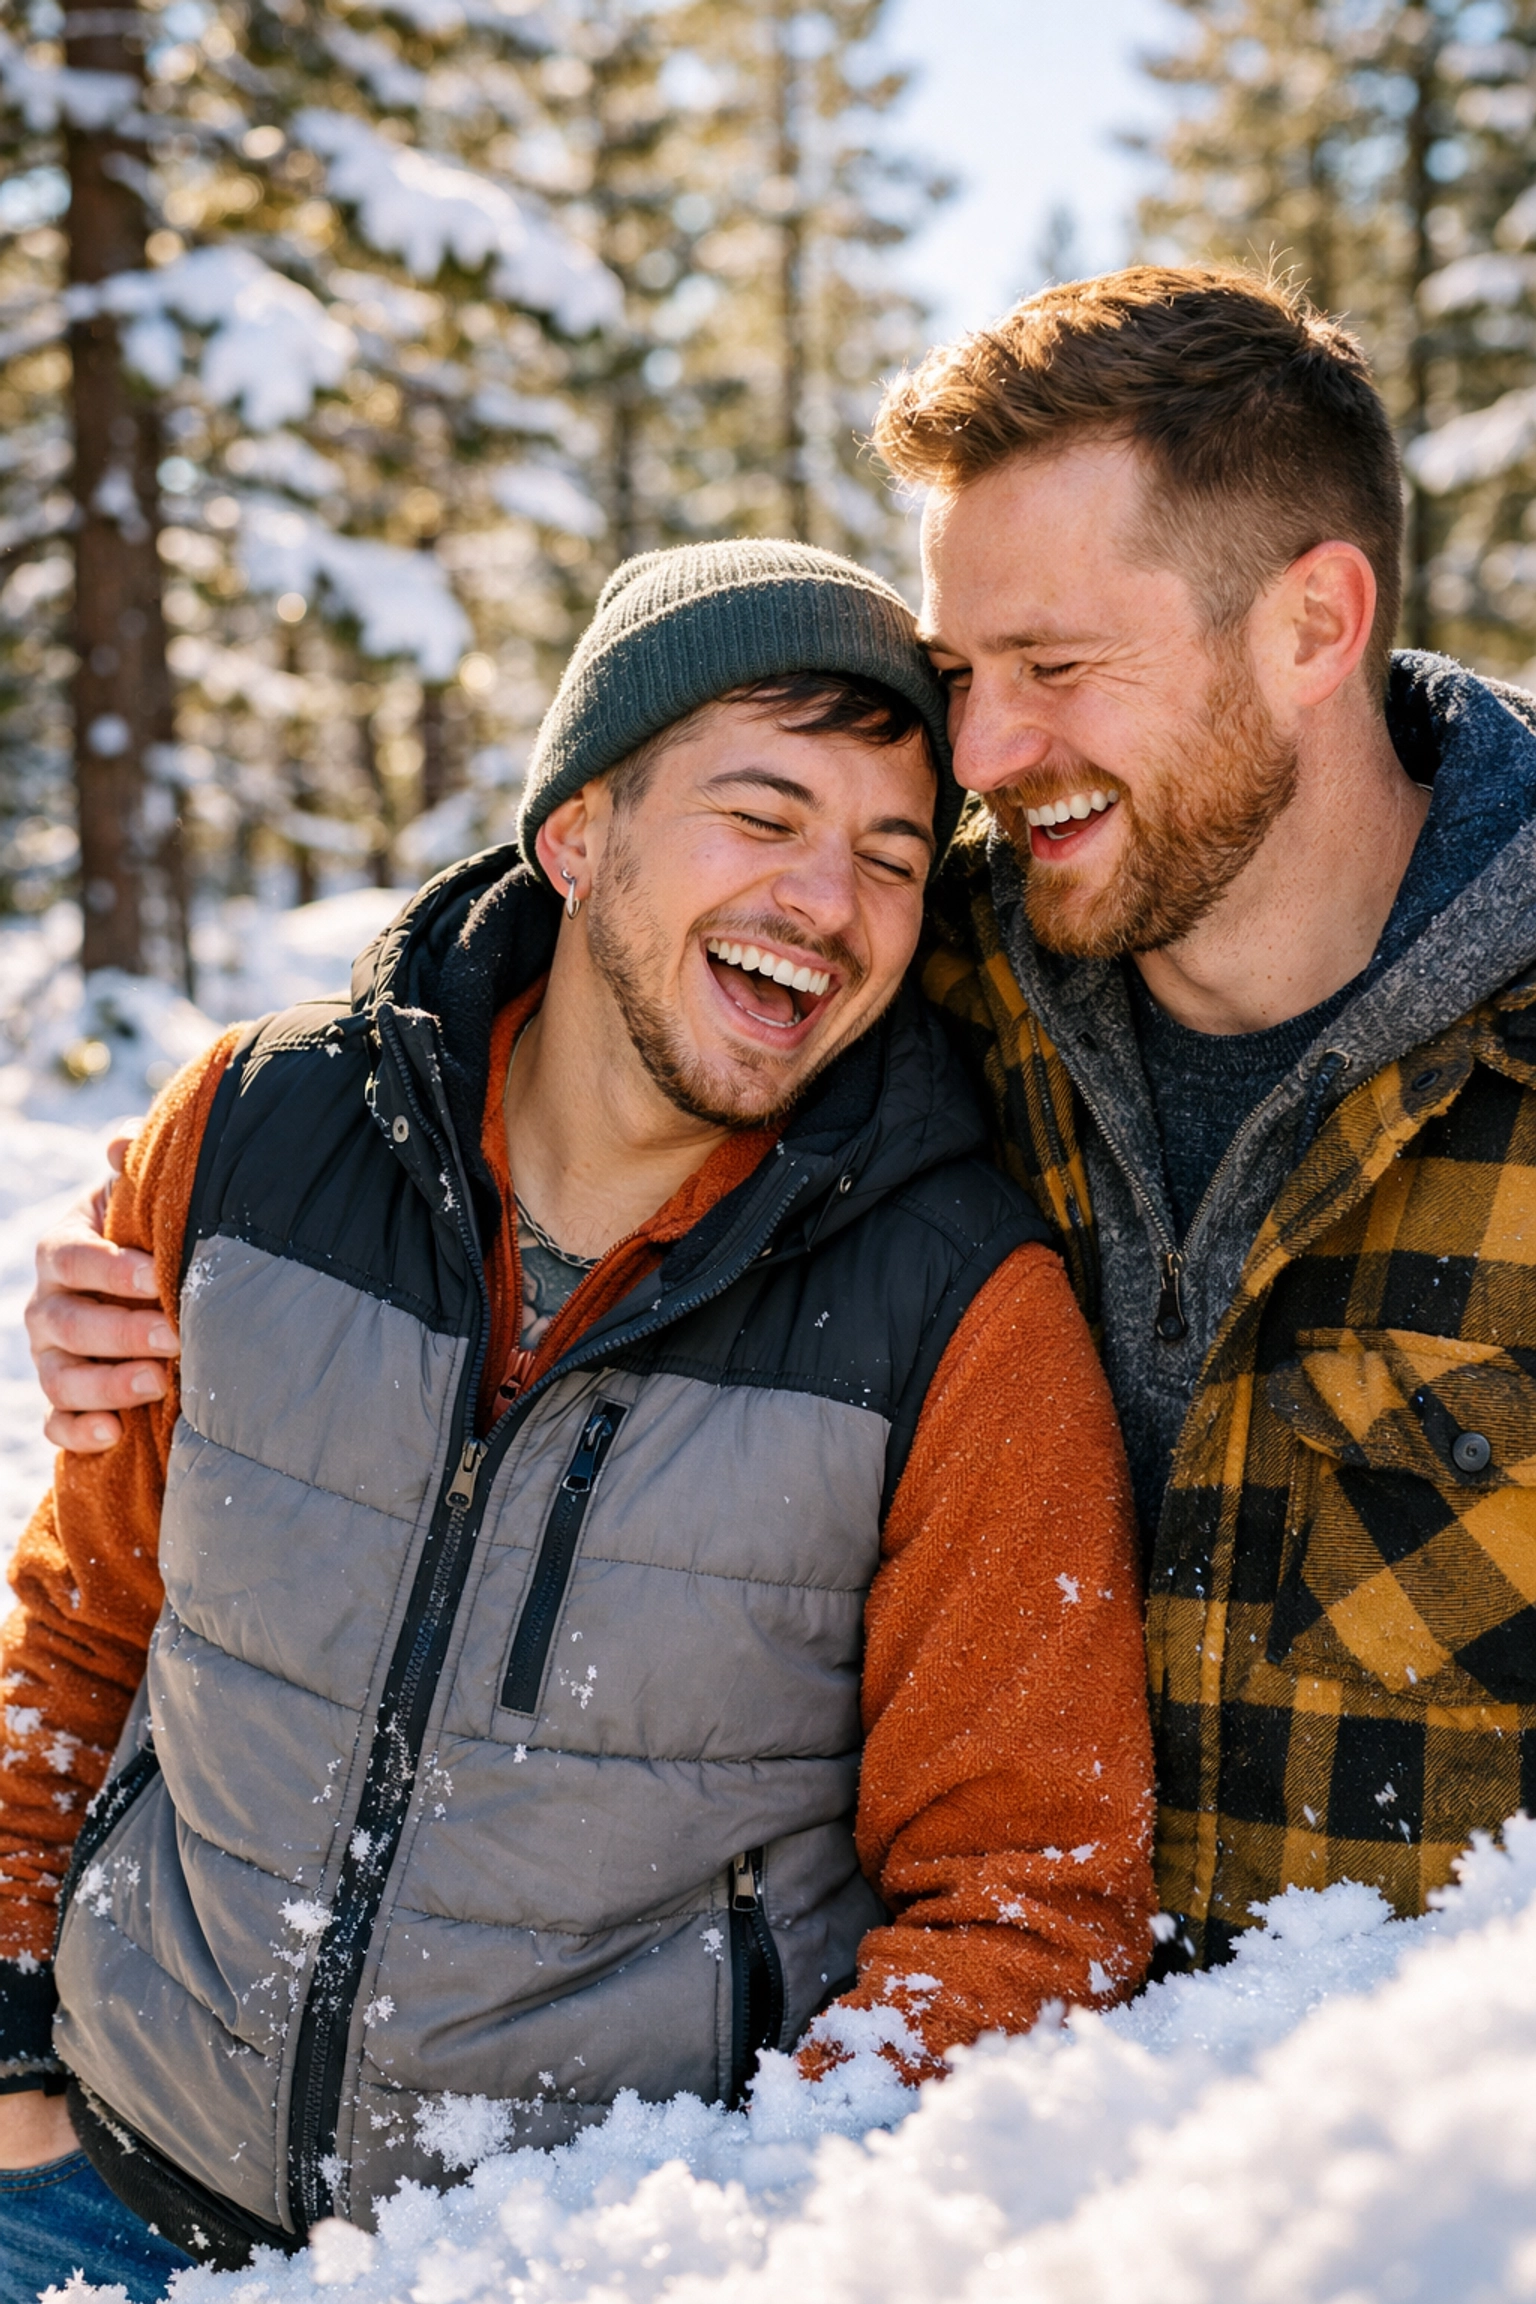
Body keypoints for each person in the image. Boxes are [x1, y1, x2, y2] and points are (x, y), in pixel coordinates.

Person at [1, 540, 1154, 2297]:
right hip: (90, 2188)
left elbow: (1026, 1898)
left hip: (551, 2266)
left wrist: (733, 2239)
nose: (826, 902)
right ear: (577, 832)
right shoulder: (252, 1133)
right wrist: (15, 2048)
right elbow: (81, 1633)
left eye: (890, 858)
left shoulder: (958, 1314)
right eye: (762, 816)